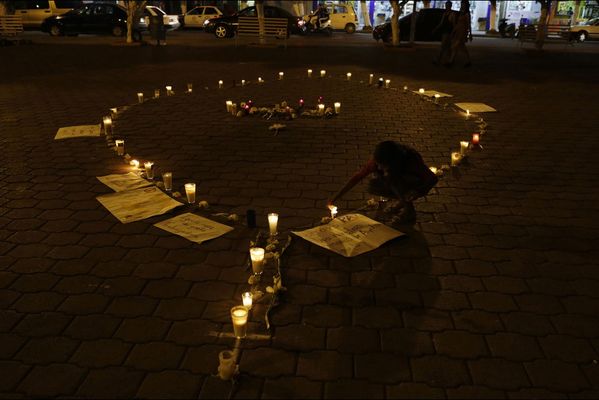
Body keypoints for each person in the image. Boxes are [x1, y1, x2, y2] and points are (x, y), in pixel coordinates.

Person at [327, 141, 438, 224]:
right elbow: (357, 177)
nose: (379, 166)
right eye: (378, 163)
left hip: (416, 184)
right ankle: (402, 202)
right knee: (375, 185)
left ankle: (409, 212)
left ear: (393, 161)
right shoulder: (377, 162)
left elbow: (432, 178)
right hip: (399, 179)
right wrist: (336, 197)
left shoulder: (410, 160)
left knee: (391, 179)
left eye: (382, 164)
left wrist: (417, 191)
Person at [446, 0, 472, 67]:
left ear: (466, 5)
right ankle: (468, 61)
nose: (462, 5)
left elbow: (469, 24)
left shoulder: (467, 13)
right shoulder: (461, 13)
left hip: (462, 32)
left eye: (463, 4)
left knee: (455, 46)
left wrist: (470, 34)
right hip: (458, 30)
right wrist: (453, 31)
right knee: (461, 47)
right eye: (461, 4)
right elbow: (457, 23)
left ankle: (451, 61)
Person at [432, 1, 455, 65]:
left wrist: (453, 33)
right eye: (446, 5)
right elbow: (441, 23)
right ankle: (446, 60)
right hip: (445, 32)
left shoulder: (452, 14)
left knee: (445, 46)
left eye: (447, 5)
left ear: (450, 6)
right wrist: (436, 28)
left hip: (449, 32)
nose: (446, 7)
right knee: (446, 46)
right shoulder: (445, 14)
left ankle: (441, 60)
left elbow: (454, 24)